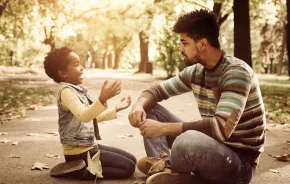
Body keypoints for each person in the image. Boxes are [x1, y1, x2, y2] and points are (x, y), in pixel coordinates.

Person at [128, 9, 266, 184]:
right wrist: (139, 105)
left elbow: (221, 127)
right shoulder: (196, 72)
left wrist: (162, 128)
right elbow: (157, 90)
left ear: (202, 44)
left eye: (184, 43)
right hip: (211, 147)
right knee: (150, 108)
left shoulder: (236, 72)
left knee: (187, 141)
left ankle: (173, 169)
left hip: (239, 164)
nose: (180, 48)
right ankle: (163, 168)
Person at [43, 46, 136, 180]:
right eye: (76, 64)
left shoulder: (76, 90)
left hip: (88, 147)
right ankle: (79, 171)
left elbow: (92, 116)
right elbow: (84, 115)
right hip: (78, 153)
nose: (81, 67)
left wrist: (116, 109)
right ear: (63, 73)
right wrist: (102, 98)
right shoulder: (66, 92)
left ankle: (84, 167)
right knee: (128, 167)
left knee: (132, 160)